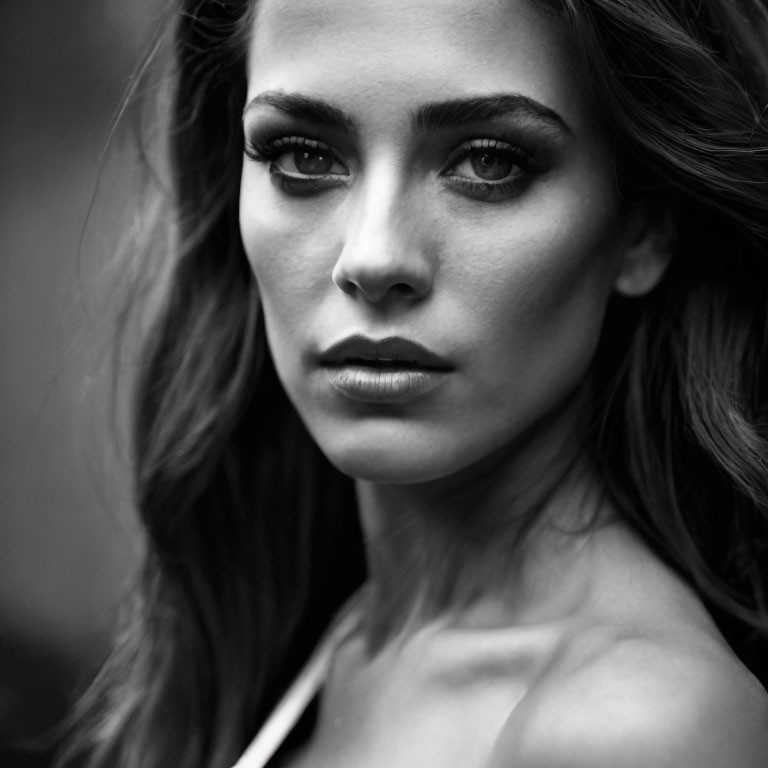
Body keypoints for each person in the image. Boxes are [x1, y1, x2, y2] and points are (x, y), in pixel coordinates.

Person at [59, 0, 768, 766]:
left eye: (490, 161)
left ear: (643, 226)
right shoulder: (312, 636)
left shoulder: (635, 725)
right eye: (302, 154)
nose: (371, 257)